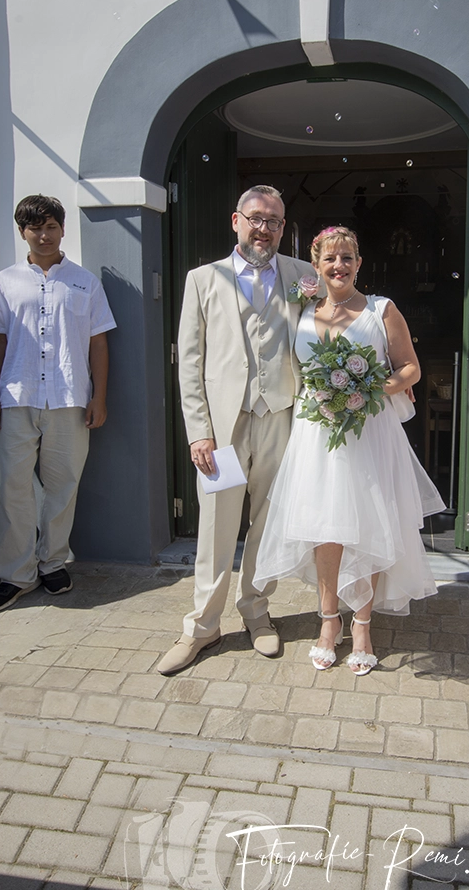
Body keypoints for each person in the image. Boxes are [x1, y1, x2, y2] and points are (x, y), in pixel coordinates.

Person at [253, 226, 445, 675]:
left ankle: (361, 624)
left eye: (347, 258)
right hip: (315, 435)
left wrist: (369, 389)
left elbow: (411, 368)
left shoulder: (381, 310)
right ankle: (327, 622)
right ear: (316, 266)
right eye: (330, 259)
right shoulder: (301, 309)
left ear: (359, 263)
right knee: (325, 530)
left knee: (367, 526)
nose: (338, 266)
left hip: (367, 431)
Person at [156, 185, 318, 675]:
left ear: (283, 228)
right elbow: (189, 361)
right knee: (216, 528)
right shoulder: (203, 280)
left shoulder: (303, 275)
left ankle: (256, 610)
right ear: (236, 220)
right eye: (255, 218)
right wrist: (198, 431)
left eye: (273, 221)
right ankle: (202, 627)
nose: (263, 228)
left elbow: (328, 331)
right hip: (222, 430)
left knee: (268, 525)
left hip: (283, 419)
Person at [0, 194, 116, 613]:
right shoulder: (5, 281)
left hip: (69, 400)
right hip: (17, 398)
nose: (44, 234)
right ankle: (15, 574)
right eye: (34, 227)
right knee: (14, 490)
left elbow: (98, 343)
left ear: (61, 229)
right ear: (23, 231)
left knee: (63, 487)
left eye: (51, 226)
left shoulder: (84, 282)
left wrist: (99, 396)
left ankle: (53, 562)